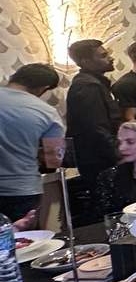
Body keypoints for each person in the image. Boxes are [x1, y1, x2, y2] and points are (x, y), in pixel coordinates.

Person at [0, 64, 64, 223]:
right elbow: (53, 159)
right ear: (44, 87)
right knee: (24, 237)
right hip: (21, 188)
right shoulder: (48, 113)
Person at [65, 39, 121, 193]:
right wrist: (118, 154)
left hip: (101, 159)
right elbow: (96, 129)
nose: (110, 58)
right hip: (101, 162)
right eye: (103, 56)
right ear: (86, 61)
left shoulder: (93, 83)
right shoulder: (88, 86)